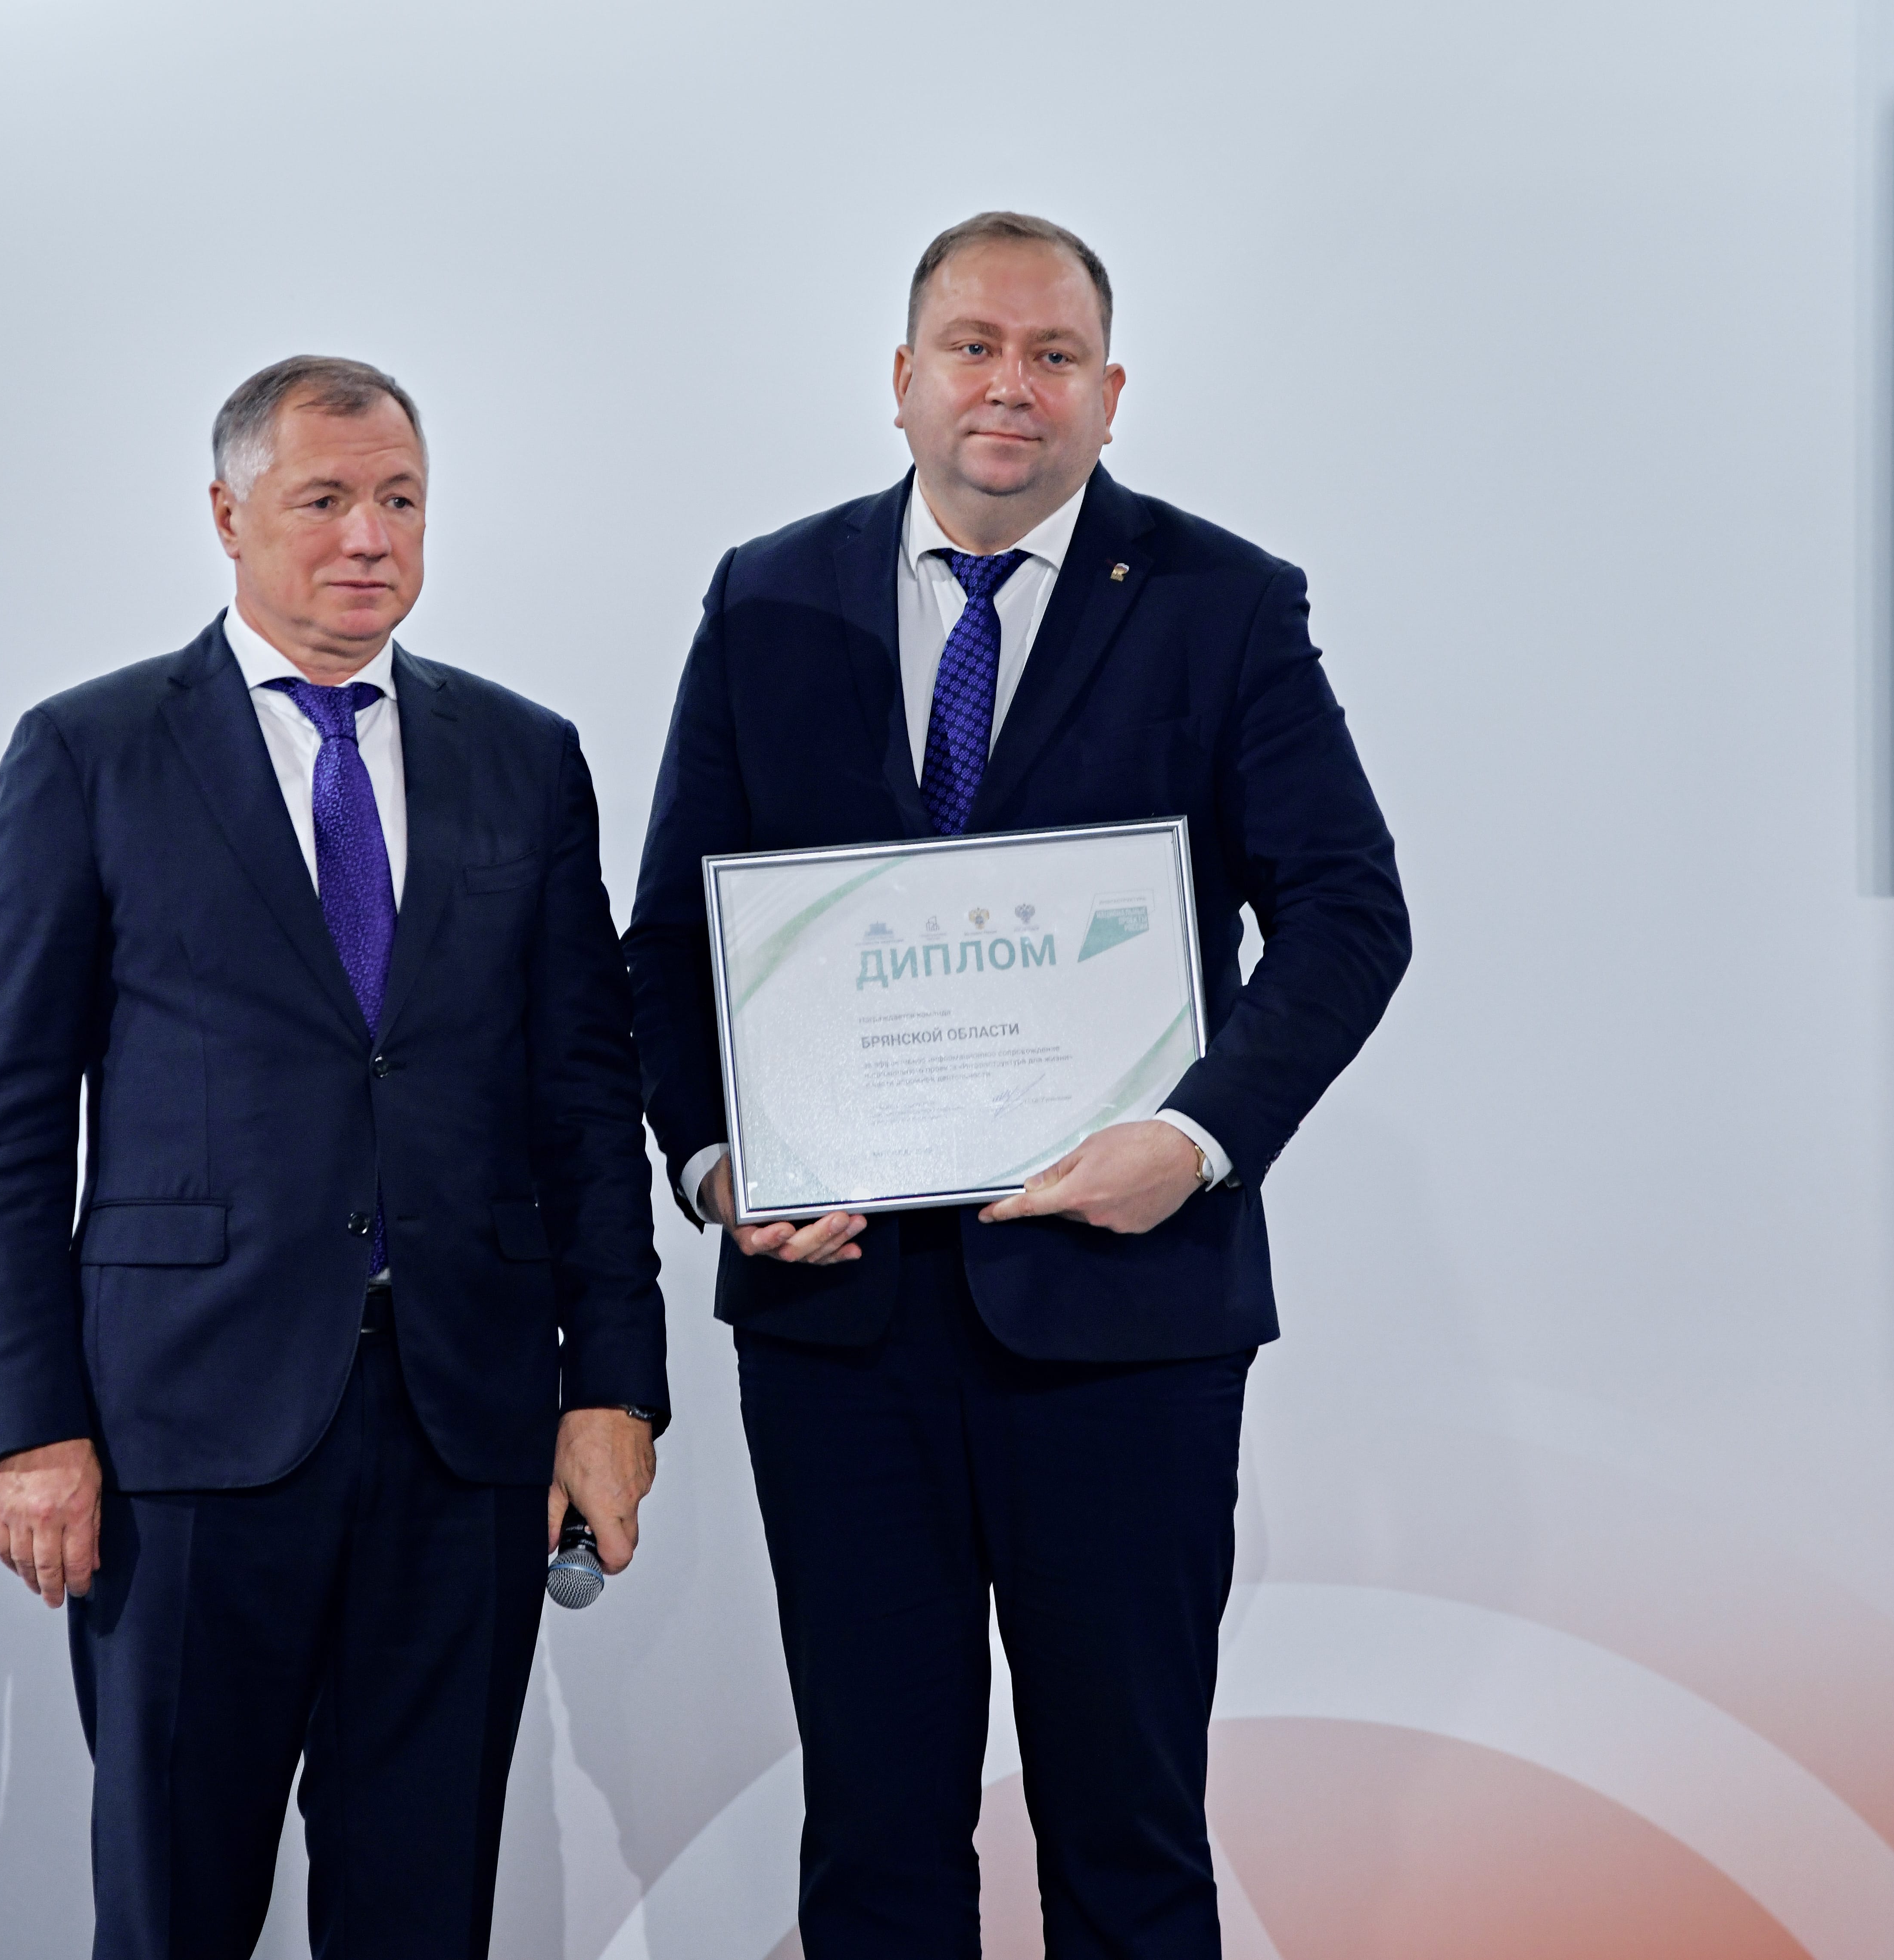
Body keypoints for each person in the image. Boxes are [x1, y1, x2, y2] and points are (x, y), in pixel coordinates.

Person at [623, 213, 1410, 1958]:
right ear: (901, 379)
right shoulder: (765, 598)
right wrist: (718, 1167)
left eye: (1053, 356)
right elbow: (670, 941)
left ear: (1109, 395)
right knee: (875, 1837)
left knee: (1126, 1836)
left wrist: (1194, 1141)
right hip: (840, 1326)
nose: (1010, 386)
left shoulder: (1222, 604)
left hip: (1125, 1321)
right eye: (972, 348)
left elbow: (1351, 916)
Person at [0, 355, 670, 1960]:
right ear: (227, 517)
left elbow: (583, 1099)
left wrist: (615, 1387)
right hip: (187, 1438)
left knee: (424, 1911)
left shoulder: (524, 756)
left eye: (400, 500)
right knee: (176, 1909)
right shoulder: (92, 752)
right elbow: (6, 1126)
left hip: (463, 1429)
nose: (369, 537)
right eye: (325, 500)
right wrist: (33, 1430)